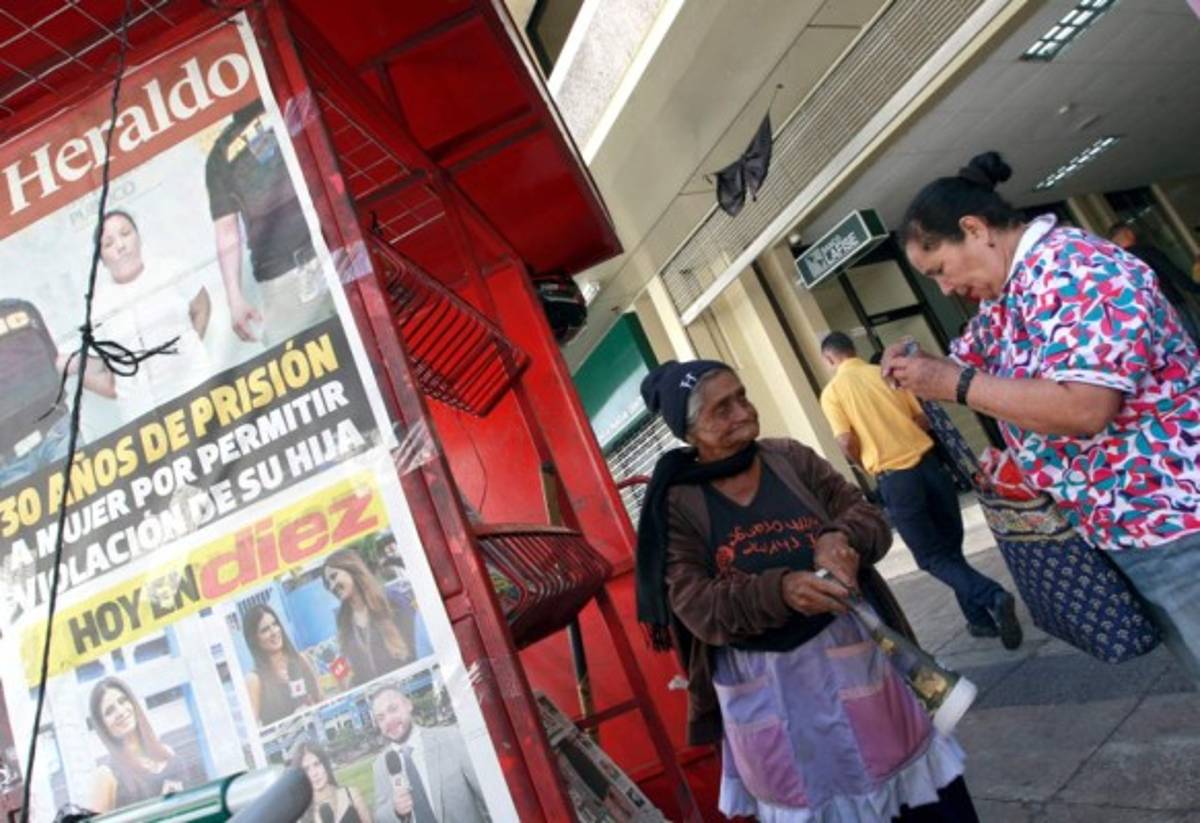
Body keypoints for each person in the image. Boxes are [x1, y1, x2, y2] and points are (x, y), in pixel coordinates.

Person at [887, 150, 1200, 679]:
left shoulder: (1076, 268)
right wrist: (918, 363)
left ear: (975, 229)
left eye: (939, 269)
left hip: (1176, 524)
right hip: (1130, 526)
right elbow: (964, 359)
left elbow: (1084, 407)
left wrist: (953, 383)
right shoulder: (1010, 296)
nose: (943, 289)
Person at [636, 359, 978, 821]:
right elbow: (698, 607)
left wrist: (841, 537)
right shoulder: (678, 504)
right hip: (770, 689)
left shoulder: (789, 459)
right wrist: (780, 591)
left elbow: (865, 514)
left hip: (858, 661)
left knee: (919, 798)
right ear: (690, 431)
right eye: (722, 409)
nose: (742, 413)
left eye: (742, 396)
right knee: (818, 798)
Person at [819, 331, 1021, 648]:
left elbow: (845, 440)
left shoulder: (833, 393)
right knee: (950, 551)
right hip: (930, 467)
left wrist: (862, 460)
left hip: (897, 480)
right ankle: (979, 621)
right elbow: (922, 419)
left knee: (930, 557)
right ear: (853, 350)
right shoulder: (882, 374)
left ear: (829, 359)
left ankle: (992, 596)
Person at [206, 100, 334, 347]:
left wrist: (235, 300)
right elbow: (226, 229)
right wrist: (234, 299)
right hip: (316, 252)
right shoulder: (293, 105)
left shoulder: (220, 152)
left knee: (302, 359)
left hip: (287, 272)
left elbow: (226, 230)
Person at [67, 210, 212, 419]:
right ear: (101, 259)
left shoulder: (170, 269)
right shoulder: (98, 308)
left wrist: (191, 347)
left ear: (138, 237)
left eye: (125, 233)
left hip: (197, 388)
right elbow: (102, 373)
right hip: (144, 413)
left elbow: (201, 305)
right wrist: (123, 390)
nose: (120, 246)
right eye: (108, 244)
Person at [368, 684, 488, 823]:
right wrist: (395, 810)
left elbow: (485, 794)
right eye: (381, 718)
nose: (388, 720)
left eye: (393, 709)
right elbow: (381, 815)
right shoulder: (380, 765)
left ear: (408, 705)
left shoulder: (451, 738)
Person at [322, 549, 427, 686]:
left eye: (333, 576)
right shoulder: (343, 621)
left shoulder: (392, 600)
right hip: (376, 700)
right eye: (328, 583)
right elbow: (358, 671)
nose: (332, 586)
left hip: (413, 686)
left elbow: (418, 647)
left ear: (351, 568)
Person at [87, 676, 188, 812]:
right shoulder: (106, 775)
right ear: (103, 726)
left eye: (122, 701)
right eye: (110, 711)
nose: (120, 712)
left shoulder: (166, 751)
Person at [1107, 220, 1200, 341]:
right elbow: (1172, 271)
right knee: (1194, 336)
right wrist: (1194, 287)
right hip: (1171, 301)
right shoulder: (1147, 251)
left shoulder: (1117, 263)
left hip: (1149, 314)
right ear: (1129, 233)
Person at [242, 603, 322, 726]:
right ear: (254, 639)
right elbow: (252, 728)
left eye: (275, 624)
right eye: (265, 630)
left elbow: (321, 699)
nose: (274, 632)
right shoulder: (254, 680)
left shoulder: (302, 659)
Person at [292, 739, 372, 823]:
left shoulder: (351, 794)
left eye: (317, 764)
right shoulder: (304, 816)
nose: (314, 773)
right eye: (307, 769)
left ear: (325, 765)